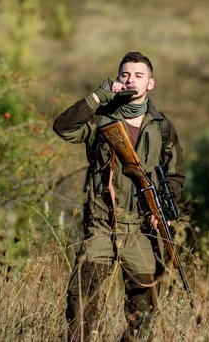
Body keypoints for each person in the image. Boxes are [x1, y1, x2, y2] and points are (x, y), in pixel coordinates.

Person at [54, 52, 185, 342]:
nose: (131, 80)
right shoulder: (101, 117)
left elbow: (175, 176)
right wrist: (98, 97)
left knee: (145, 311)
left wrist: (160, 207)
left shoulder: (162, 126)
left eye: (138, 75)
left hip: (140, 229)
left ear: (151, 83)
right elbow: (63, 128)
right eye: (125, 74)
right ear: (117, 79)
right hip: (101, 226)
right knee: (81, 301)